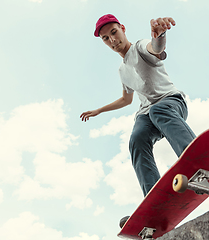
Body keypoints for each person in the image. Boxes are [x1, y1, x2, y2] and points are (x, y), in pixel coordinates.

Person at [80, 14, 196, 197]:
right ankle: (154, 197)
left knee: (158, 110)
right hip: (147, 113)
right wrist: (99, 110)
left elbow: (155, 48)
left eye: (114, 32)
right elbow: (126, 99)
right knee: (137, 139)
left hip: (171, 103)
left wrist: (159, 36)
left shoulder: (140, 47)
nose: (112, 40)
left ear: (123, 28)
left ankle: (197, 161)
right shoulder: (122, 70)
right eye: (106, 38)